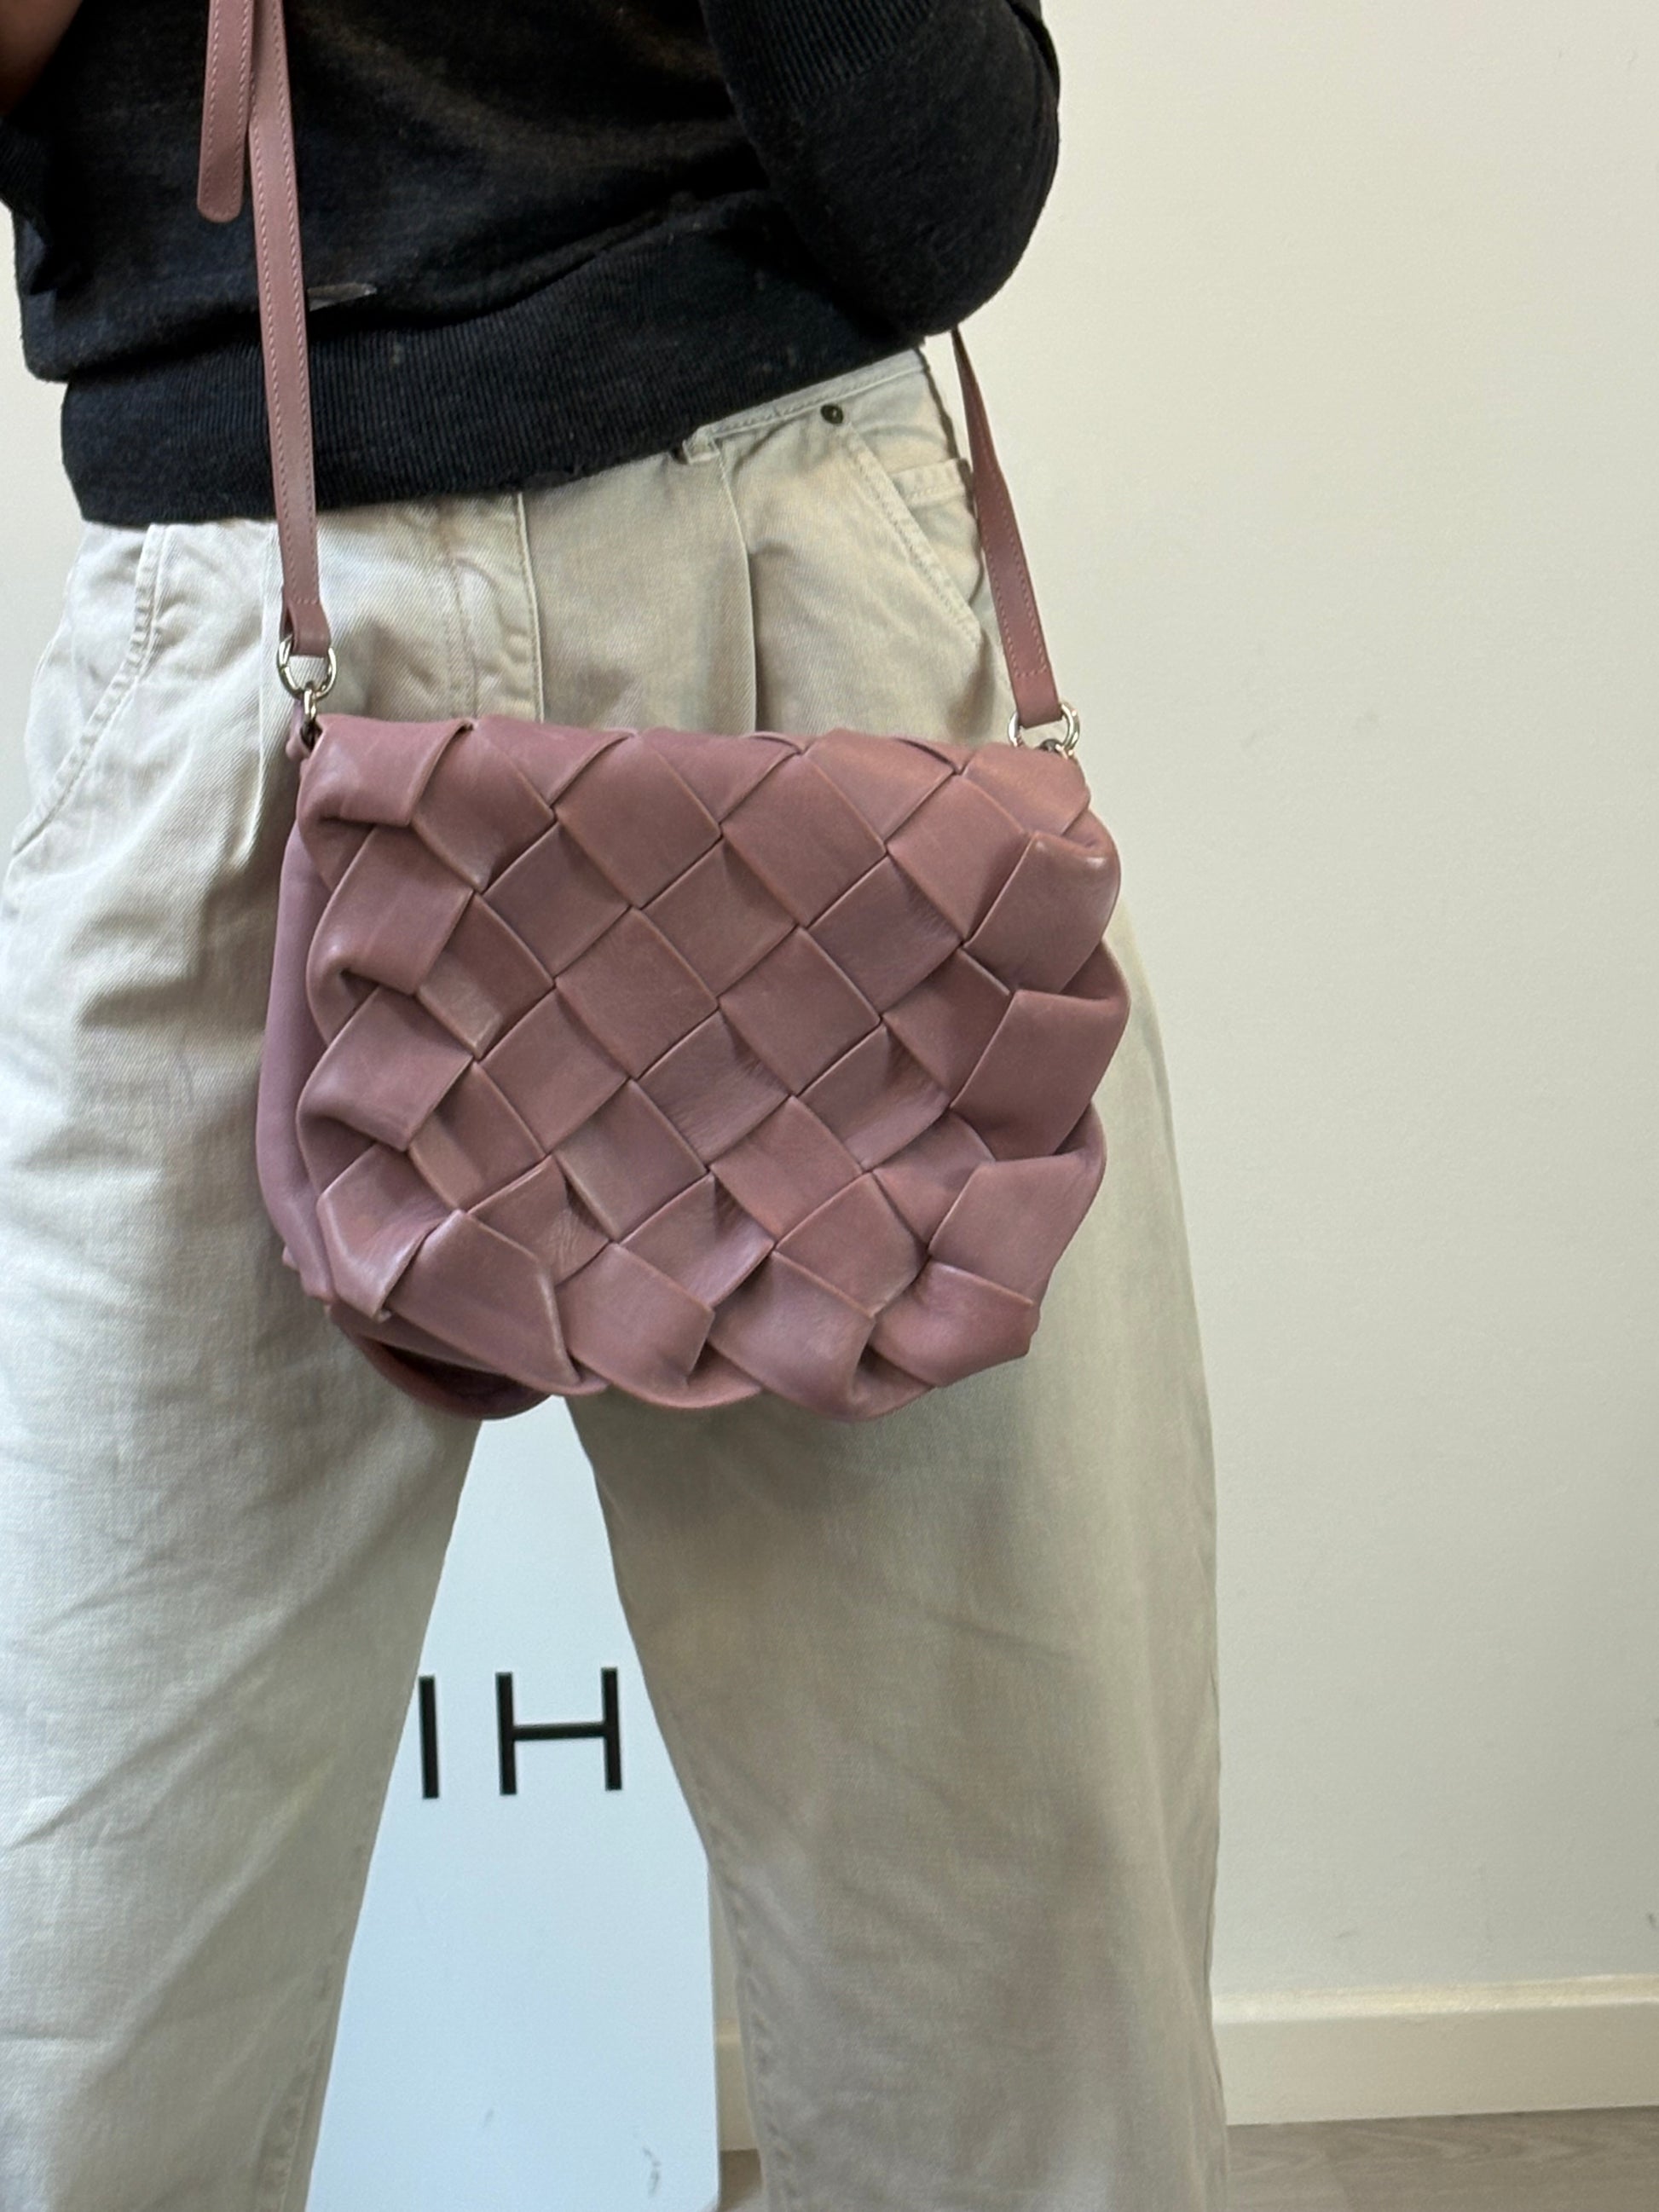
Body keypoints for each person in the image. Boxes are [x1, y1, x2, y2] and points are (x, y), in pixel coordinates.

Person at [0, 3, 1228, 2208]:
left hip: (814, 637)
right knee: (66, 2032)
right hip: (240, 649)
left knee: (1018, 2045)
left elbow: (951, 184)